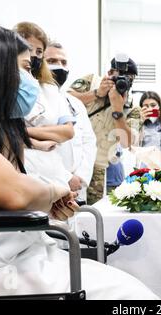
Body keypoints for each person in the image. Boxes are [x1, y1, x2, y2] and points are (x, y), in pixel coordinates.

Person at [0, 22, 159, 300]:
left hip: (8, 251)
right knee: (128, 296)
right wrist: (53, 192)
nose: (31, 80)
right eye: (26, 68)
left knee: (130, 289)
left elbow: (16, 190)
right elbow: (16, 193)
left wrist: (44, 200)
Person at [69, 56, 142, 205]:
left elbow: (127, 142)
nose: (124, 81)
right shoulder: (91, 81)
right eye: (119, 76)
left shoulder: (132, 107)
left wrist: (118, 110)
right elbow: (66, 100)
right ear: (109, 72)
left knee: (91, 211)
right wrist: (96, 93)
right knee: (67, 208)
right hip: (72, 160)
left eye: (128, 78)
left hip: (99, 166)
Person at [14, 22, 76, 190]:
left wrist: (23, 133)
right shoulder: (3, 88)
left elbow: (67, 132)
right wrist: (46, 134)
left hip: (52, 169)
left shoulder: (50, 90)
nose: (33, 55)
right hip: (20, 168)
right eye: (28, 48)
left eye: (39, 51)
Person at [44, 42, 97, 201]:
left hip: (78, 189)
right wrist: (66, 177)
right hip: (51, 185)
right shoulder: (36, 100)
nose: (59, 66)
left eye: (63, 62)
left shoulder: (75, 103)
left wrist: (81, 177)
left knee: (80, 225)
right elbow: (36, 146)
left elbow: (89, 142)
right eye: (52, 61)